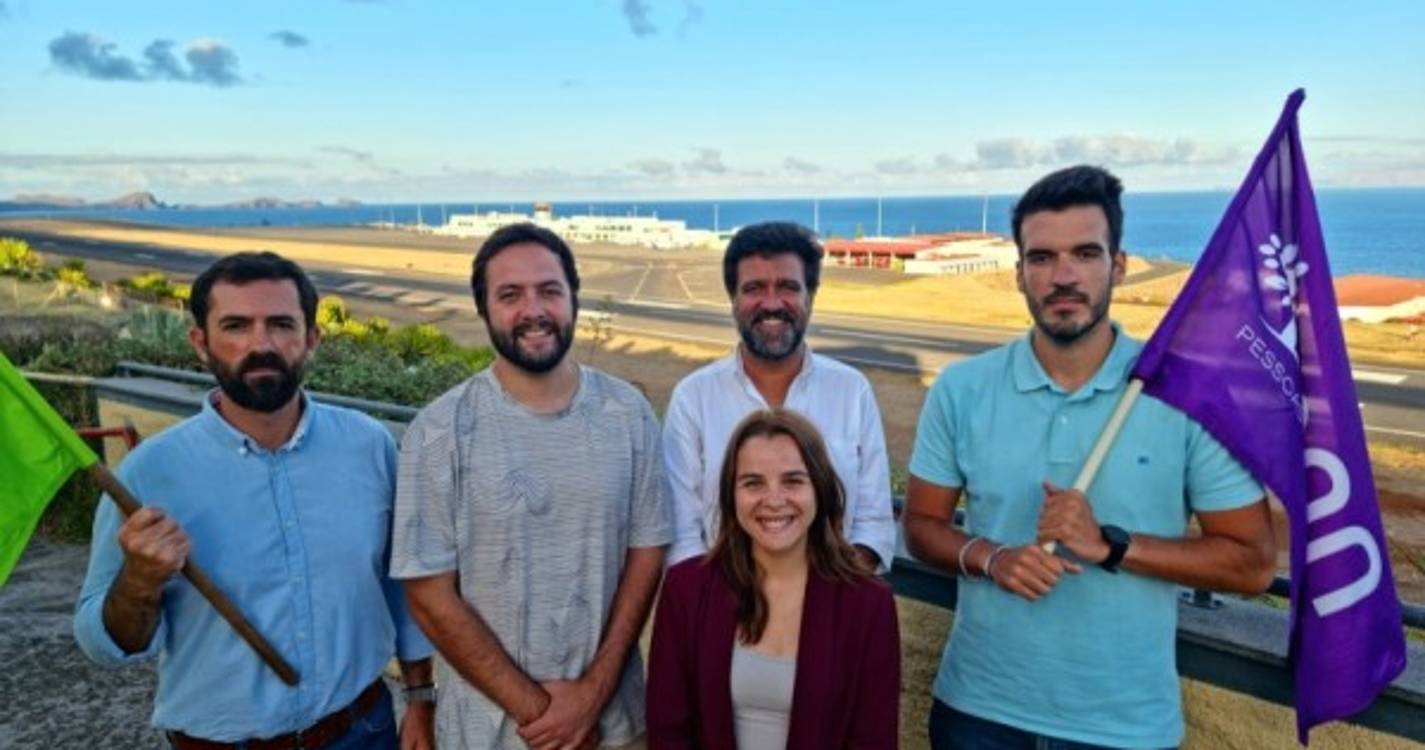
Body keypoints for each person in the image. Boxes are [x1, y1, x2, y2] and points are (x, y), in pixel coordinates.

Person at [903, 165, 1276, 749]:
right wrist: (992, 558)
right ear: (1019, 274)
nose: (1063, 276)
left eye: (1085, 253)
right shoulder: (961, 389)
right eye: (1042, 258)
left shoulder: (1188, 395)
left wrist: (1112, 545)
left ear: (1118, 266)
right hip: (977, 711)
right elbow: (921, 526)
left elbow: (1251, 564)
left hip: (1124, 728)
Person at [73, 251, 435, 749]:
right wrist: (139, 581)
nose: (261, 344)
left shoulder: (368, 445)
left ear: (312, 339)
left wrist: (421, 699)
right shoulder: (148, 473)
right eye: (236, 326)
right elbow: (101, 644)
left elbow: (402, 587)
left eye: (281, 325)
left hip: (363, 731)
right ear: (201, 344)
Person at [391, 222, 671, 749]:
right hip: (486, 736)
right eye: (510, 295)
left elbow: (647, 553)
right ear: (484, 309)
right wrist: (544, 715)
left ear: (573, 299)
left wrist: (593, 694)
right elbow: (429, 595)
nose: (533, 310)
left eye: (549, 290)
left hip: (614, 728)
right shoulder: (438, 431)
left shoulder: (629, 414)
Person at [647, 408, 900, 749]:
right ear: (730, 494)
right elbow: (668, 732)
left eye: (792, 481)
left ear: (820, 489)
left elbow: (873, 739)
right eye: (753, 483)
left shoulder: (869, 604)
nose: (774, 500)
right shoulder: (686, 590)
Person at [662, 221, 895, 573]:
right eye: (754, 288)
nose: (771, 303)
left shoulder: (852, 391)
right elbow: (683, 537)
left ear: (810, 298)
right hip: (724, 600)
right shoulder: (693, 398)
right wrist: (729, 600)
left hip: (831, 597)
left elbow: (873, 525)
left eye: (788, 287)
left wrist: (828, 593)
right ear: (733, 300)